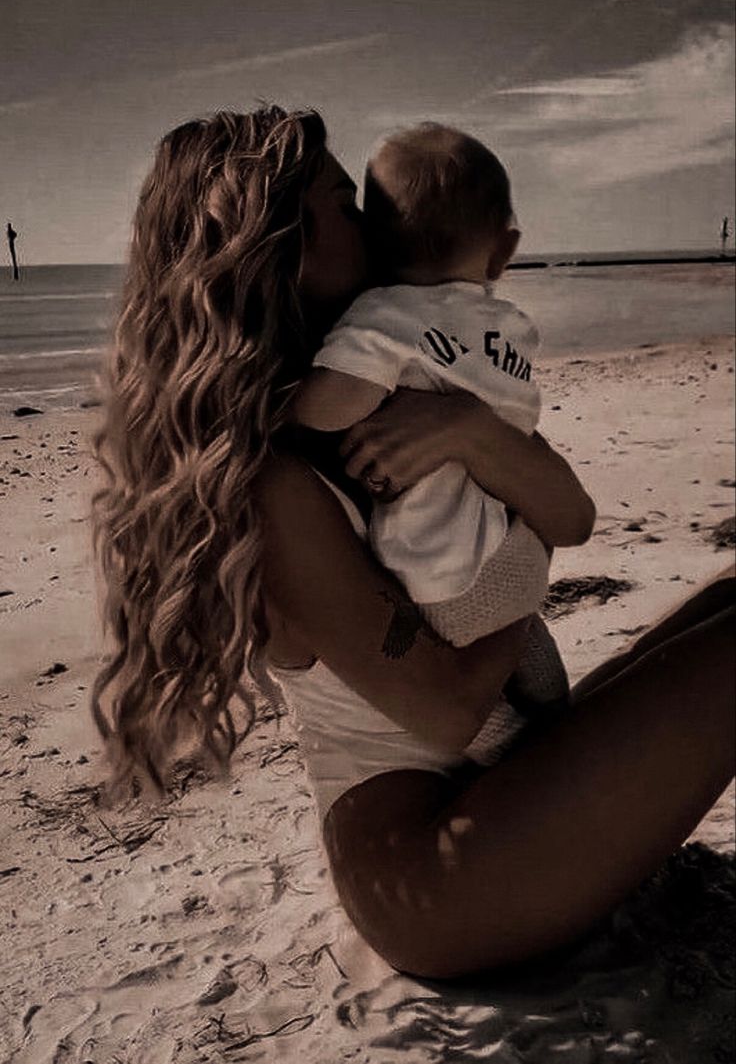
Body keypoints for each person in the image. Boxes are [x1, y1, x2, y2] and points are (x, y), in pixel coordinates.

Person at [90, 105, 735, 983]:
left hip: (508, 788)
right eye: (346, 204)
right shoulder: (274, 484)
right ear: (280, 246)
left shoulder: (403, 381)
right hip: (435, 871)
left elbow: (576, 513)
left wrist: (471, 429)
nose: (377, 221)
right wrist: (517, 542)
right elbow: (450, 708)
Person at [290, 123, 577, 765]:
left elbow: (328, 409)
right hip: (510, 561)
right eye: (346, 206)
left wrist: (283, 409)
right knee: (551, 702)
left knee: (512, 734)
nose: (364, 223)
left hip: (452, 586)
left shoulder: (388, 326)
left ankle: (547, 752)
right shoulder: (506, 328)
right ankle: (560, 737)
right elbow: (566, 513)